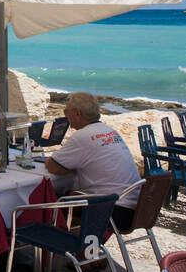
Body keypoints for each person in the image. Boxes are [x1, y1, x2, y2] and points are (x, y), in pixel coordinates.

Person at [46, 92, 143, 231]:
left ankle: (66, 245)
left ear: (77, 113)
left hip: (112, 210)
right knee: (69, 194)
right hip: (135, 208)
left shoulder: (82, 136)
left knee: (49, 201)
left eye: (66, 111)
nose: (65, 115)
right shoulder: (110, 131)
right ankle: (83, 245)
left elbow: (53, 167)